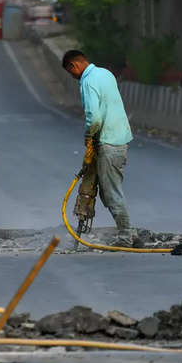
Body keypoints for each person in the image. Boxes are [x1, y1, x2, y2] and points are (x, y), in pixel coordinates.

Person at [62, 50, 137, 247]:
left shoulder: (87, 81)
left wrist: (89, 135)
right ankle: (130, 232)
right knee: (107, 192)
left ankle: (126, 238)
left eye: (71, 73)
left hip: (108, 142)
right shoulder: (105, 73)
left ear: (74, 66)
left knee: (112, 192)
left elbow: (94, 117)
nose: (73, 77)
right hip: (119, 139)